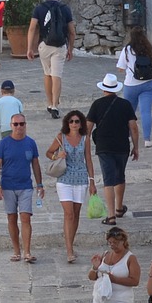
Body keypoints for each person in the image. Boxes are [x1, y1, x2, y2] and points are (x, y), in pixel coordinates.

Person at [88, 74, 142, 224]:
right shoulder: (125, 105)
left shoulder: (97, 104)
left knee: (108, 180)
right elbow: (134, 127)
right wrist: (136, 147)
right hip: (122, 146)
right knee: (120, 175)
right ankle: (119, 208)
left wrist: (84, 146)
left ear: (103, 88)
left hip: (104, 146)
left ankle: (111, 215)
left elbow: (88, 128)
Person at [47, 110, 97, 263]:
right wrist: (57, 156)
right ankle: (69, 250)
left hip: (81, 178)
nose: (74, 124)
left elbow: (88, 159)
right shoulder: (61, 137)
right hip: (65, 178)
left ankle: (71, 242)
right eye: (71, 121)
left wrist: (92, 181)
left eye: (77, 121)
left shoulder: (85, 139)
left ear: (81, 123)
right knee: (68, 213)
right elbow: (48, 152)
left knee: (75, 214)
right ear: (67, 123)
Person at [0, 111, 43, 262]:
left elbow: (35, 164)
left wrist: (39, 184)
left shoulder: (30, 143)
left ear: (25, 125)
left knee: (26, 217)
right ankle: (16, 250)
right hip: (8, 186)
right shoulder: (3, 144)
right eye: (16, 124)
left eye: (22, 124)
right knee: (11, 218)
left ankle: (27, 252)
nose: (19, 127)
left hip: (25, 186)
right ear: (11, 126)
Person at [28, 0, 75, 119]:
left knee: (47, 74)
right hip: (60, 46)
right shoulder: (65, 9)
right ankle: (55, 105)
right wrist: (70, 49)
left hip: (44, 45)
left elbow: (32, 28)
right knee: (57, 75)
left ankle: (49, 103)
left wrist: (29, 48)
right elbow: (72, 32)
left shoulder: (39, 8)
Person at [115, 28, 152, 145]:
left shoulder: (127, 50)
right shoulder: (149, 49)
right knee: (146, 111)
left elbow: (120, 68)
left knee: (129, 112)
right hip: (149, 84)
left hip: (131, 85)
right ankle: (147, 139)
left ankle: (127, 136)